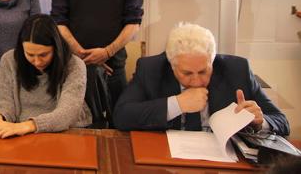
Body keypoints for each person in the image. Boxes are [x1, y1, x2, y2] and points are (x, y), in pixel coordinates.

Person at [113, 22, 290, 136]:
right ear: (172, 64)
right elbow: (121, 116)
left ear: (212, 61)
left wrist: (260, 122)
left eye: (204, 71)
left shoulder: (238, 70)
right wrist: (177, 104)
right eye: (187, 73)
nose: (197, 81)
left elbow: (281, 121)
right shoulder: (150, 68)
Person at [0, 14, 91, 139]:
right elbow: (3, 101)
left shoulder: (74, 65)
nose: (37, 62)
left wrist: (26, 126)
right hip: (19, 132)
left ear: (56, 48)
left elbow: (67, 113)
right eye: (30, 54)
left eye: (43, 55)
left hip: (67, 133)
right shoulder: (9, 60)